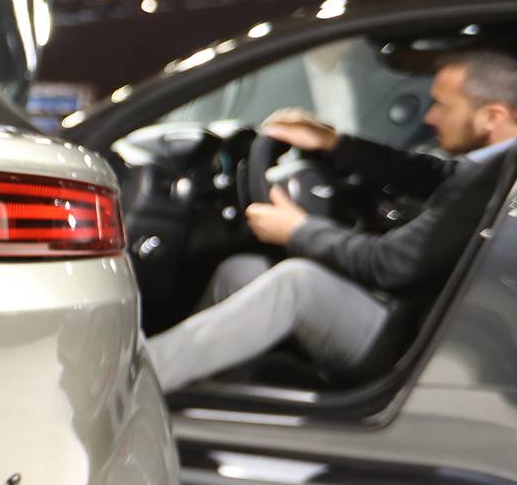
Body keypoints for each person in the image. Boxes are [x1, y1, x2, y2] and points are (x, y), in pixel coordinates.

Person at [147, 50, 517, 392]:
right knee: (241, 271)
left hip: (415, 344)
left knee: (296, 283)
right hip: (422, 319)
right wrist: (334, 144)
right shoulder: (498, 166)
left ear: (493, 117)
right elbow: (433, 173)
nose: (429, 116)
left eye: (441, 105)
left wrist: (297, 230)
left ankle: (129, 382)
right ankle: (205, 398)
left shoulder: (497, 182)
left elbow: (391, 264)